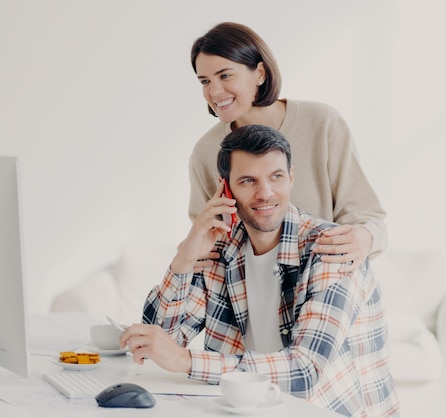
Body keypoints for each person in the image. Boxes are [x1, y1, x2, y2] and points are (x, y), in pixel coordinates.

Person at [120, 125, 399, 417]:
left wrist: (187, 361)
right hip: (252, 408)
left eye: (276, 177)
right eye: (248, 180)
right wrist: (184, 259)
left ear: (291, 178)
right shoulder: (220, 248)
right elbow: (162, 342)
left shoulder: (332, 249)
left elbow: (305, 372)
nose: (265, 193)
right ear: (225, 188)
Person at [188, 22, 386, 272]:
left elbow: (368, 218)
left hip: (323, 278)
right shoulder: (206, 152)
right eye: (205, 81)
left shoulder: (322, 123)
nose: (214, 91)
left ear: (260, 73)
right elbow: (204, 241)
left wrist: (365, 238)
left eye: (225, 75)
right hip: (249, 292)